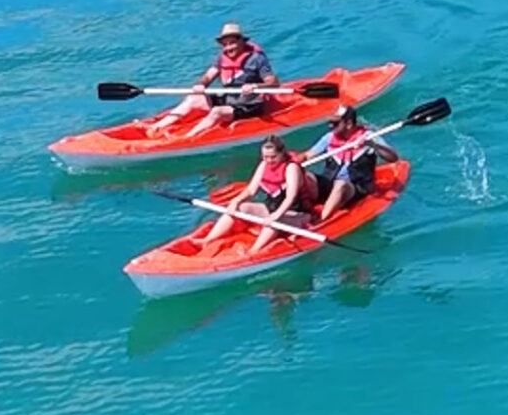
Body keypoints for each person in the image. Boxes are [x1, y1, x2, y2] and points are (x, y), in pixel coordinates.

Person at [146, 22, 280, 139]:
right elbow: (209, 76)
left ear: (242, 41)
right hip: (229, 99)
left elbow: (273, 83)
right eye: (225, 44)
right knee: (194, 97)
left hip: (249, 105)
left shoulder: (257, 59)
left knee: (217, 112)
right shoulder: (223, 57)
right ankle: (156, 127)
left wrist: (255, 86)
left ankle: (187, 138)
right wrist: (200, 84)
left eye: (232, 43)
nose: (228, 48)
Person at [199, 136, 324, 254]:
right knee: (241, 208)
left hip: (297, 214)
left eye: (273, 157)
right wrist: (236, 201)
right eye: (265, 157)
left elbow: (290, 197)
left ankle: (253, 251)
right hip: (271, 209)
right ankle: (208, 240)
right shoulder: (264, 165)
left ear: (282, 153)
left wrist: (276, 215)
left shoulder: (291, 168)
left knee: (274, 223)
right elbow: (251, 190)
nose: (269, 160)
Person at [300, 105, 400, 223]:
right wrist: (294, 161)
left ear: (348, 124)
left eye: (335, 123)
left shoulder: (368, 137)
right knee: (304, 175)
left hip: (356, 187)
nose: (330, 126)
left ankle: (321, 221)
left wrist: (373, 145)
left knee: (341, 184)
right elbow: (308, 155)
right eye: (330, 122)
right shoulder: (329, 137)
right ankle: (302, 208)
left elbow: (393, 158)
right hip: (330, 182)